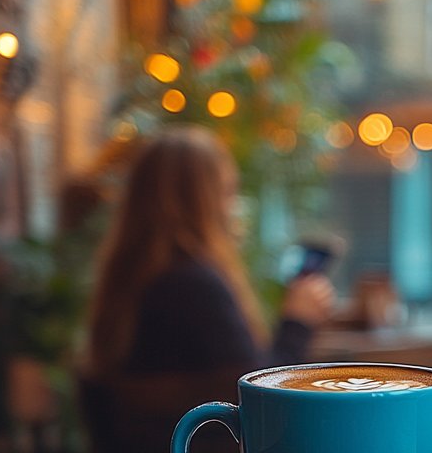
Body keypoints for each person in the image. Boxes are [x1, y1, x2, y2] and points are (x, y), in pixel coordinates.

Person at [84, 126, 335, 379]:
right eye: (227, 192)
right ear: (204, 204)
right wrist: (297, 321)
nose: (235, 207)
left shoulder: (127, 281)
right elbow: (257, 389)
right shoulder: (195, 286)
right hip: (198, 421)